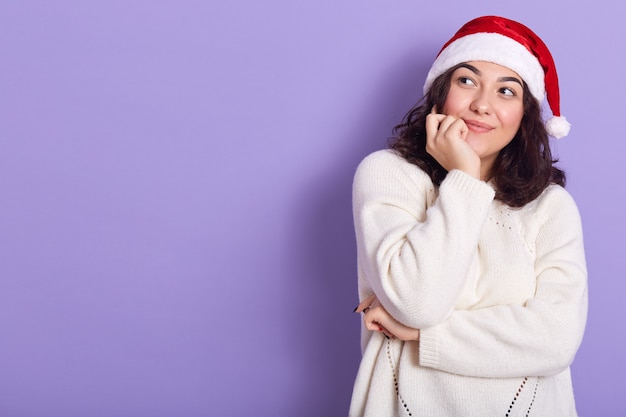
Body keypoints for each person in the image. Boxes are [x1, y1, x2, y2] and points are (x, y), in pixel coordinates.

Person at [349, 15, 587, 417]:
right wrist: (465, 178)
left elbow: (556, 339)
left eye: (507, 91)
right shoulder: (388, 175)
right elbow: (417, 301)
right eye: (466, 81)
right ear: (440, 95)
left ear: (525, 115)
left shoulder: (550, 207)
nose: (482, 104)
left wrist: (423, 336)